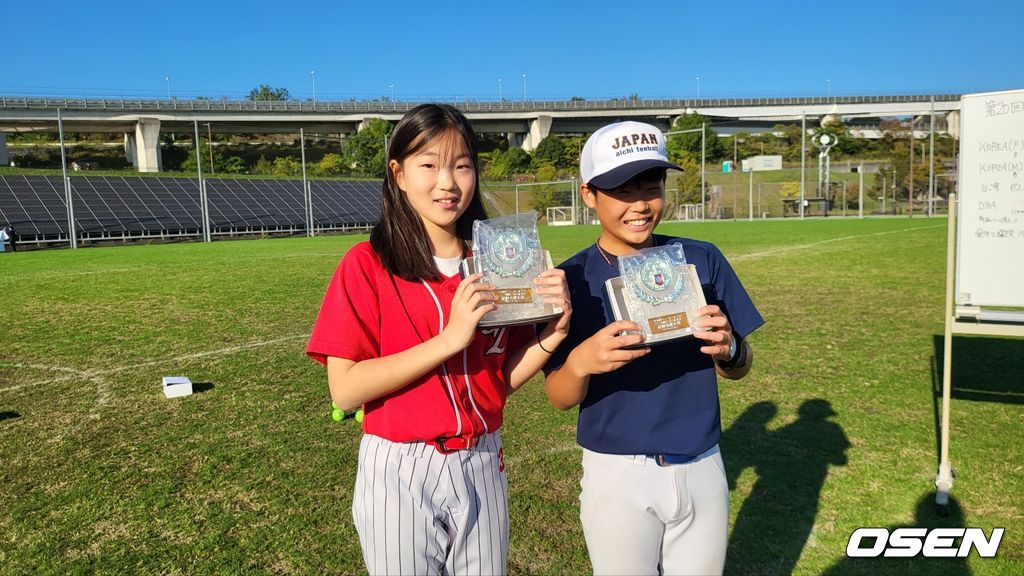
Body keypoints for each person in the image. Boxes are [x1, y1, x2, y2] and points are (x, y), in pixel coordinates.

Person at [306, 103, 570, 576]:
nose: (447, 182)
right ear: (399, 173)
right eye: (428, 164)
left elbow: (497, 382)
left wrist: (554, 334)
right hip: (402, 467)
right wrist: (450, 339)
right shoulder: (366, 264)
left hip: (484, 458)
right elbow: (344, 390)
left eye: (462, 165)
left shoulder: (499, 265)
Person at [542, 120, 764, 575]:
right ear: (589, 195)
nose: (641, 203)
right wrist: (582, 363)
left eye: (652, 184)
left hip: (701, 464)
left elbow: (740, 365)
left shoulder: (701, 259)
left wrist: (729, 350)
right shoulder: (572, 280)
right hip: (617, 474)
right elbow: (559, 397)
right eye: (622, 189)